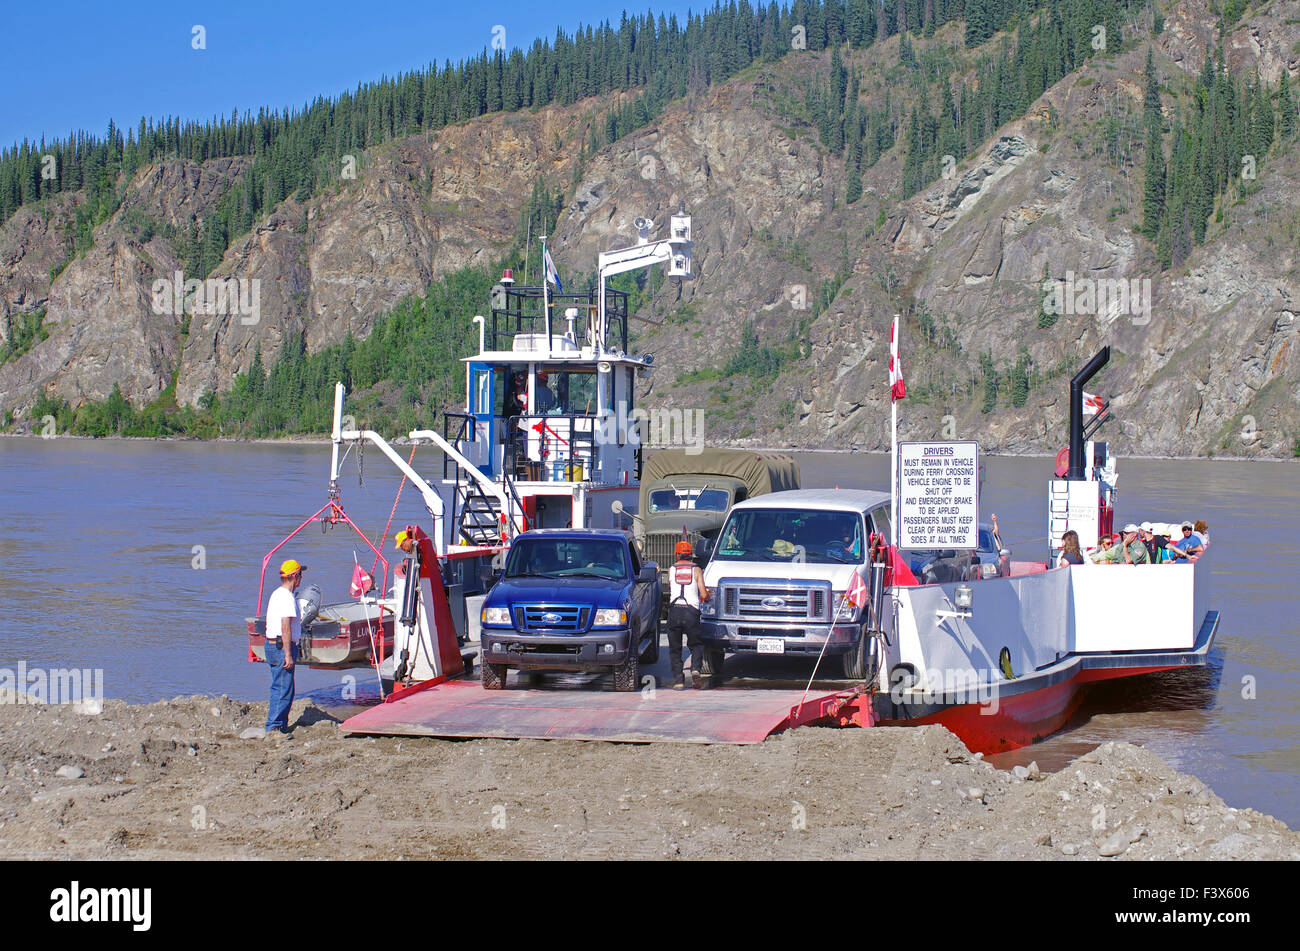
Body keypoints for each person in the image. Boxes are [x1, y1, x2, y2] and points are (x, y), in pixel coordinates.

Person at [264, 558, 306, 735]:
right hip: (281, 647)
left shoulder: (276, 594)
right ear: (294, 576)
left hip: (273, 645)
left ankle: (279, 725)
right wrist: (288, 654)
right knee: (284, 689)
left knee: (281, 686)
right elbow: (285, 626)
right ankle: (274, 728)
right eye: (300, 575)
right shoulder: (287, 597)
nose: (301, 579)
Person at [666, 540, 711, 689]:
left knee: (675, 648)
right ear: (691, 554)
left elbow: (671, 587)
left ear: (677, 554)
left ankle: (679, 680)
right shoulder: (697, 570)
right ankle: (696, 669)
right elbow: (703, 593)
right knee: (696, 644)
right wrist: (706, 596)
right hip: (691, 611)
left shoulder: (671, 569)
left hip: (674, 611)